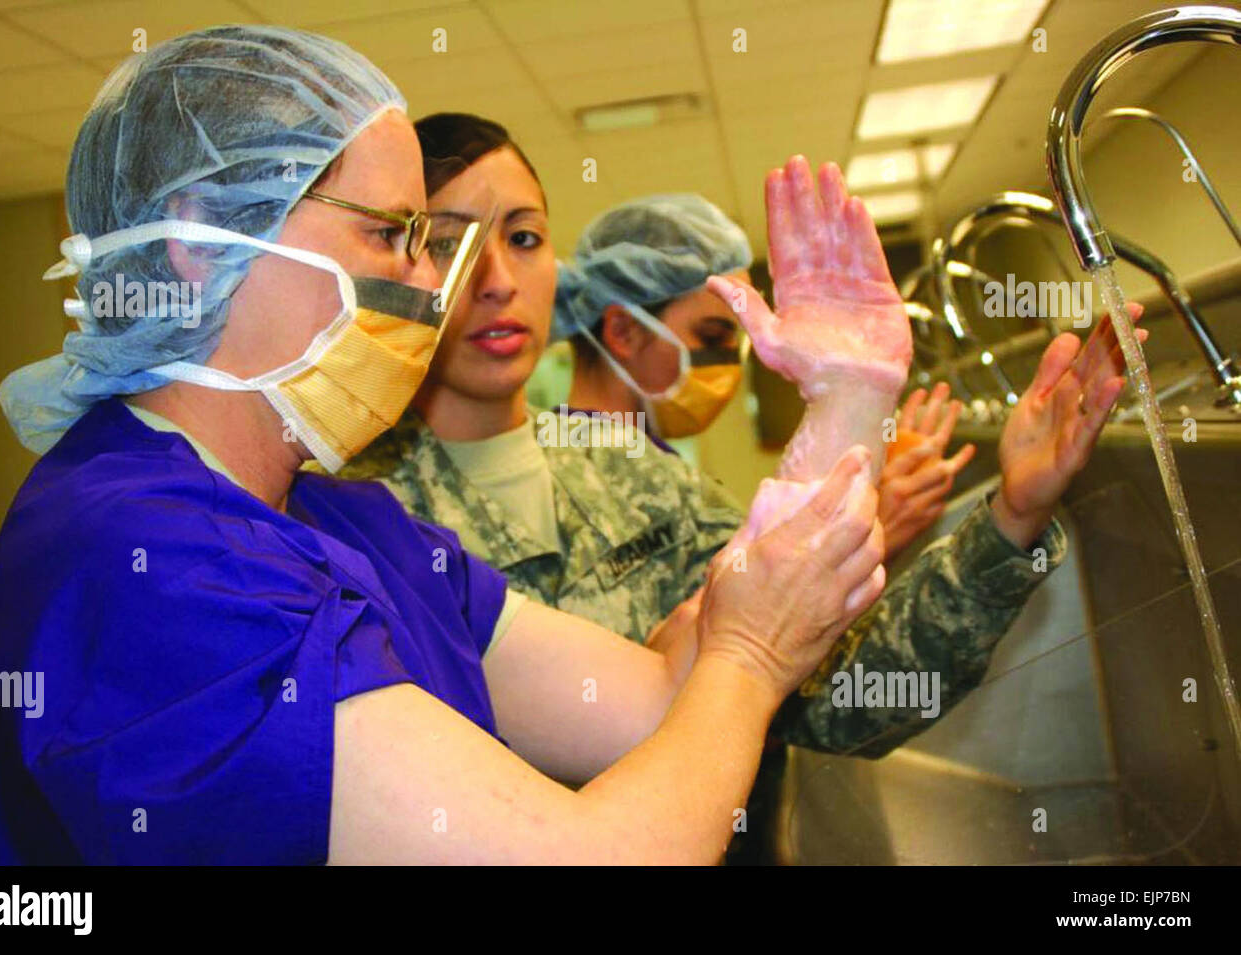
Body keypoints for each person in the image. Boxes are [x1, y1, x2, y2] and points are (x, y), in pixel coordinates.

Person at [0, 26, 892, 865]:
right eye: (397, 232)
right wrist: (756, 653)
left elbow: (654, 698)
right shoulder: (144, 567)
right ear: (202, 237)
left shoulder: (337, 514)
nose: (428, 282)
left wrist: (845, 408)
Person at [337, 112, 1145, 860]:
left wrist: (1012, 516)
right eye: (449, 243)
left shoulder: (634, 472)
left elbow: (835, 699)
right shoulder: (353, 522)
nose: (496, 279)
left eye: (524, 236)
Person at [552, 192, 976, 559]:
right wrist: (856, 529)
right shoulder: (564, 483)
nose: (729, 367)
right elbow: (734, 641)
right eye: (712, 336)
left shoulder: (660, 470)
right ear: (624, 331)